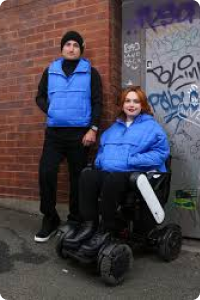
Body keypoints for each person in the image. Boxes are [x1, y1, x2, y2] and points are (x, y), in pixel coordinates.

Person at [64, 85, 170, 255]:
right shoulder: (112, 130)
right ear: (122, 104)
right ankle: (89, 225)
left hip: (136, 176)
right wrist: (101, 161)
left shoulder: (152, 128)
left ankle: (107, 229)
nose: (131, 104)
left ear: (142, 105)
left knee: (113, 178)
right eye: (127, 101)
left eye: (136, 101)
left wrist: (130, 161)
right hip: (111, 172)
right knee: (87, 175)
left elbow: (161, 154)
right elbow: (101, 153)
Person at [34, 31, 103, 242]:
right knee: (46, 172)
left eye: (75, 45)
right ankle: (50, 217)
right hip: (54, 133)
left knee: (77, 178)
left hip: (80, 134)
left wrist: (93, 129)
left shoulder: (91, 72)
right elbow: (40, 96)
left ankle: (75, 219)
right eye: (67, 44)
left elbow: (97, 102)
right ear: (62, 48)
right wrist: (52, 109)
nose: (71, 48)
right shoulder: (51, 70)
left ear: (81, 49)